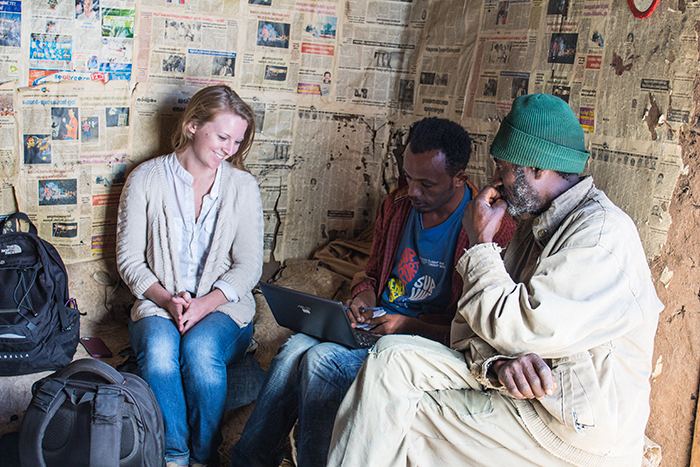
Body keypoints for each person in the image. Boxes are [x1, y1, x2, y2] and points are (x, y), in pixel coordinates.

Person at [328, 94, 664, 467]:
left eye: (503, 167)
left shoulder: (601, 236)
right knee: (391, 358)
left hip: (572, 432)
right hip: (524, 399)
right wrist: (499, 362)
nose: (494, 181)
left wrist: (480, 244)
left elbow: (518, 330)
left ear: (537, 168)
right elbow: (469, 328)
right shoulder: (535, 229)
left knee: (393, 414)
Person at [230, 117, 515, 467]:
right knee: (292, 351)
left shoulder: (487, 227)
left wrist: (405, 325)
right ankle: (249, 461)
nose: (413, 191)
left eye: (426, 184)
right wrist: (363, 298)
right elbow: (372, 273)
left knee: (321, 360)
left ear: (459, 178)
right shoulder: (397, 206)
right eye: (408, 178)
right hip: (375, 325)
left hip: (419, 342)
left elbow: (471, 331)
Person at [116, 85, 263, 467]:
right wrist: (167, 300)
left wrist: (204, 305)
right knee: (160, 353)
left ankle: (203, 457)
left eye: (237, 141)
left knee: (200, 350)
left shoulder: (243, 186)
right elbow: (129, 260)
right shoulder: (146, 178)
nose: (230, 149)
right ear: (193, 125)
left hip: (223, 307)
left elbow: (249, 266)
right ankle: (175, 456)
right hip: (158, 303)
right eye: (223, 137)